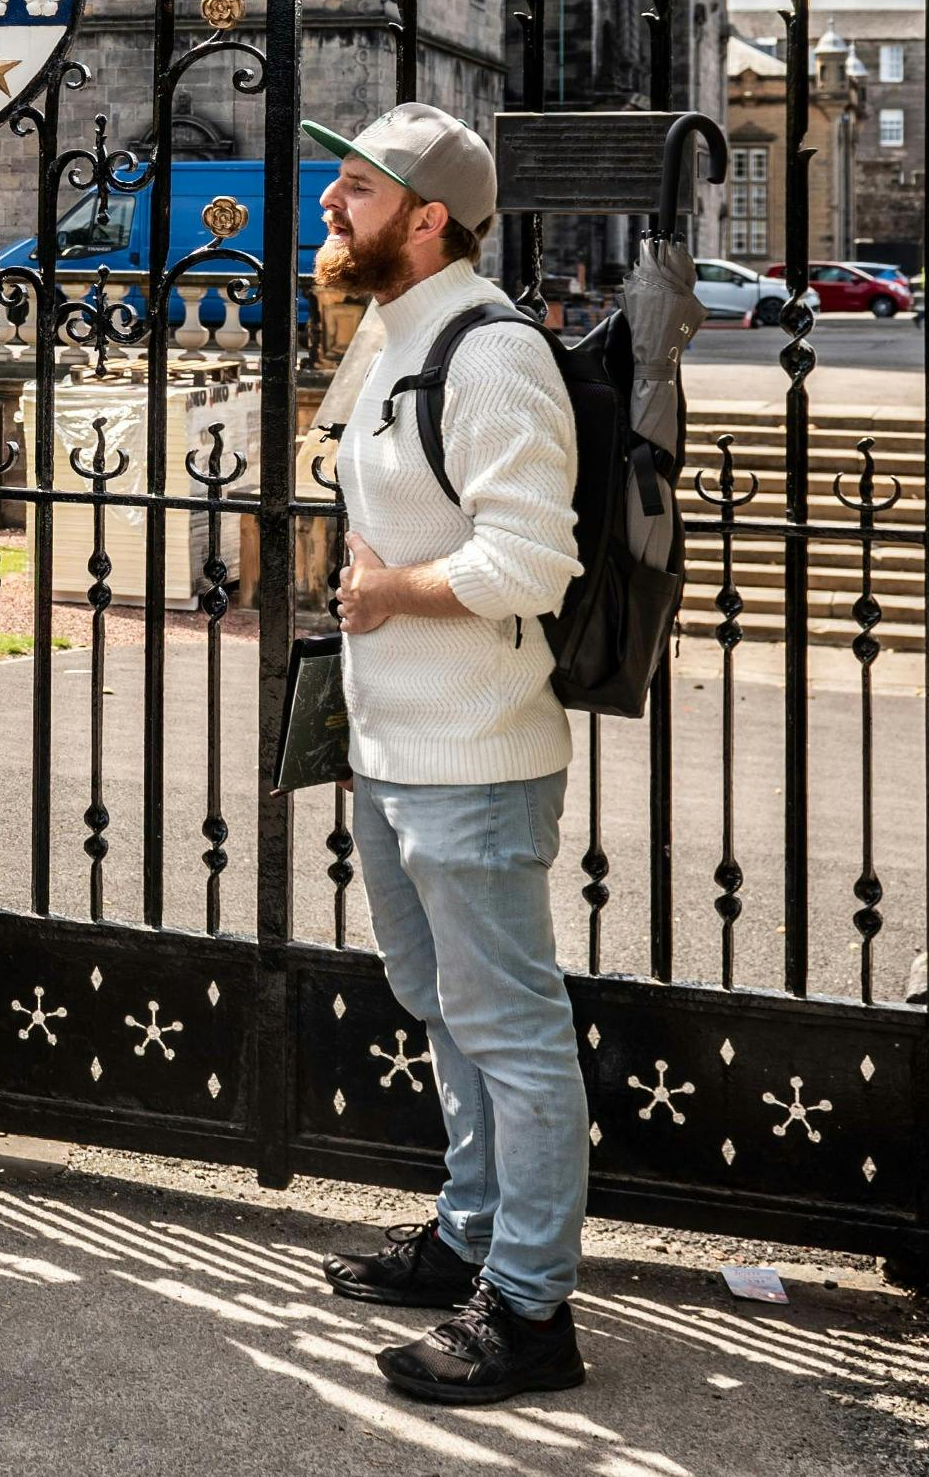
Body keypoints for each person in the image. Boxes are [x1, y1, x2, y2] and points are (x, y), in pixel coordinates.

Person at [301, 101, 591, 1409]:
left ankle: (529, 1307)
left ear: (428, 216)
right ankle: (468, 1236)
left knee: (512, 1032)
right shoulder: (396, 334)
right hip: (398, 743)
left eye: (352, 187)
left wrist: (393, 597)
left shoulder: (492, 353)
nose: (327, 204)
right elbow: (337, 470)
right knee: (444, 1005)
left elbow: (535, 554)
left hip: (475, 751)